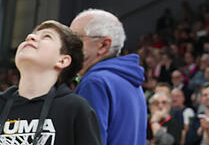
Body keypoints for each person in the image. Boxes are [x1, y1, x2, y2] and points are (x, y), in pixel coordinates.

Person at [0, 21, 102, 145]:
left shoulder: (75, 108)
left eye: (46, 36)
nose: (30, 37)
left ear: (63, 60)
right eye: (30, 36)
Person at [70, 8, 148, 145]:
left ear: (103, 45)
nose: (68, 45)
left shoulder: (95, 82)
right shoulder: (131, 81)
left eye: (75, 38)